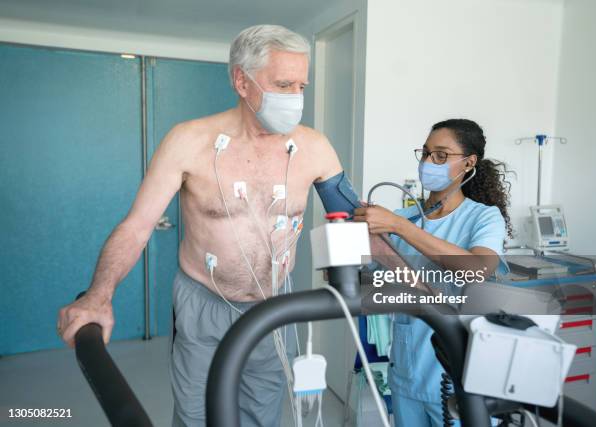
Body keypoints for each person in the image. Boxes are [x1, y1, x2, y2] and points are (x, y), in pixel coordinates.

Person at [56, 25, 356, 427]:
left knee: (260, 414)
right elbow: (138, 226)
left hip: (273, 304)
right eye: (283, 85)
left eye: (301, 85)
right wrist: (98, 296)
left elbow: (352, 217)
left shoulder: (315, 147)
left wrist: (406, 274)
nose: (295, 98)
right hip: (203, 304)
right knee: (197, 415)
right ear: (241, 81)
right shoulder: (189, 141)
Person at [354, 119, 513, 427]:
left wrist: (401, 228)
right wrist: (348, 248)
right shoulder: (401, 217)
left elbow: (478, 269)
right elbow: (366, 284)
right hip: (407, 374)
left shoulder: (482, 217)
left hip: (460, 380)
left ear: (468, 163)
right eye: (425, 153)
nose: (428, 163)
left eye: (441, 155)